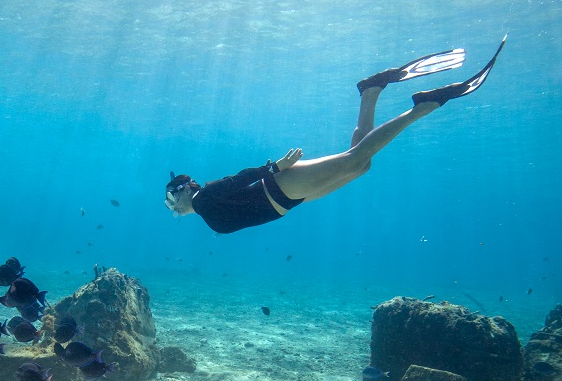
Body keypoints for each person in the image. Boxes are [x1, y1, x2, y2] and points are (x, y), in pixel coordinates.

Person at [165, 36, 507, 235]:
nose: (172, 207)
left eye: (170, 198)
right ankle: (370, 92)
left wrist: (275, 167)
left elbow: (236, 181)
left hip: (279, 187)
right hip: (287, 199)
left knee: (356, 160)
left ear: (184, 190)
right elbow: (235, 190)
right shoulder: (204, 205)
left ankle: (424, 106)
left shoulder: (203, 199)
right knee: (361, 166)